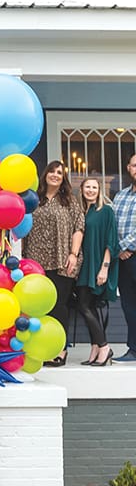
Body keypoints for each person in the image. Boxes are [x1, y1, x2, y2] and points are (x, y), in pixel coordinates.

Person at [22, 160, 84, 366]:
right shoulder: (34, 199)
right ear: (45, 174)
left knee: (59, 306)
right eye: (52, 171)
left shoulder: (70, 201)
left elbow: (78, 228)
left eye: (59, 172)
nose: (55, 175)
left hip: (61, 259)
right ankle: (40, 348)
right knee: (38, 307)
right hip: (35, 260)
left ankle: (60, 349)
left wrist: (73, 254)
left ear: (63, 177)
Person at [75, 178, 119, 366]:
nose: (91, 190)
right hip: (85, 265)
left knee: (85, 306)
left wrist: (105, 267)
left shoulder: (106, 211)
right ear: (82, 189)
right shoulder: (82, 211)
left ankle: (104, 346)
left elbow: (111, 239)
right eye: (88, 187)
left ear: (99, 190)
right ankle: (95, 348)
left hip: (99, 264)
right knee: (88, 306)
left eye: (94, 187)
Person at [113, 153, 136, 363]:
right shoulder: (120, 196)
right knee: (129, 305)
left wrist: (124, 246)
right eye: (134, 165)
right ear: (129, 168)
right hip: (123, 259)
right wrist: (119, 249)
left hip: (131, 253)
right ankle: (133, 349)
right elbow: (113, 225)